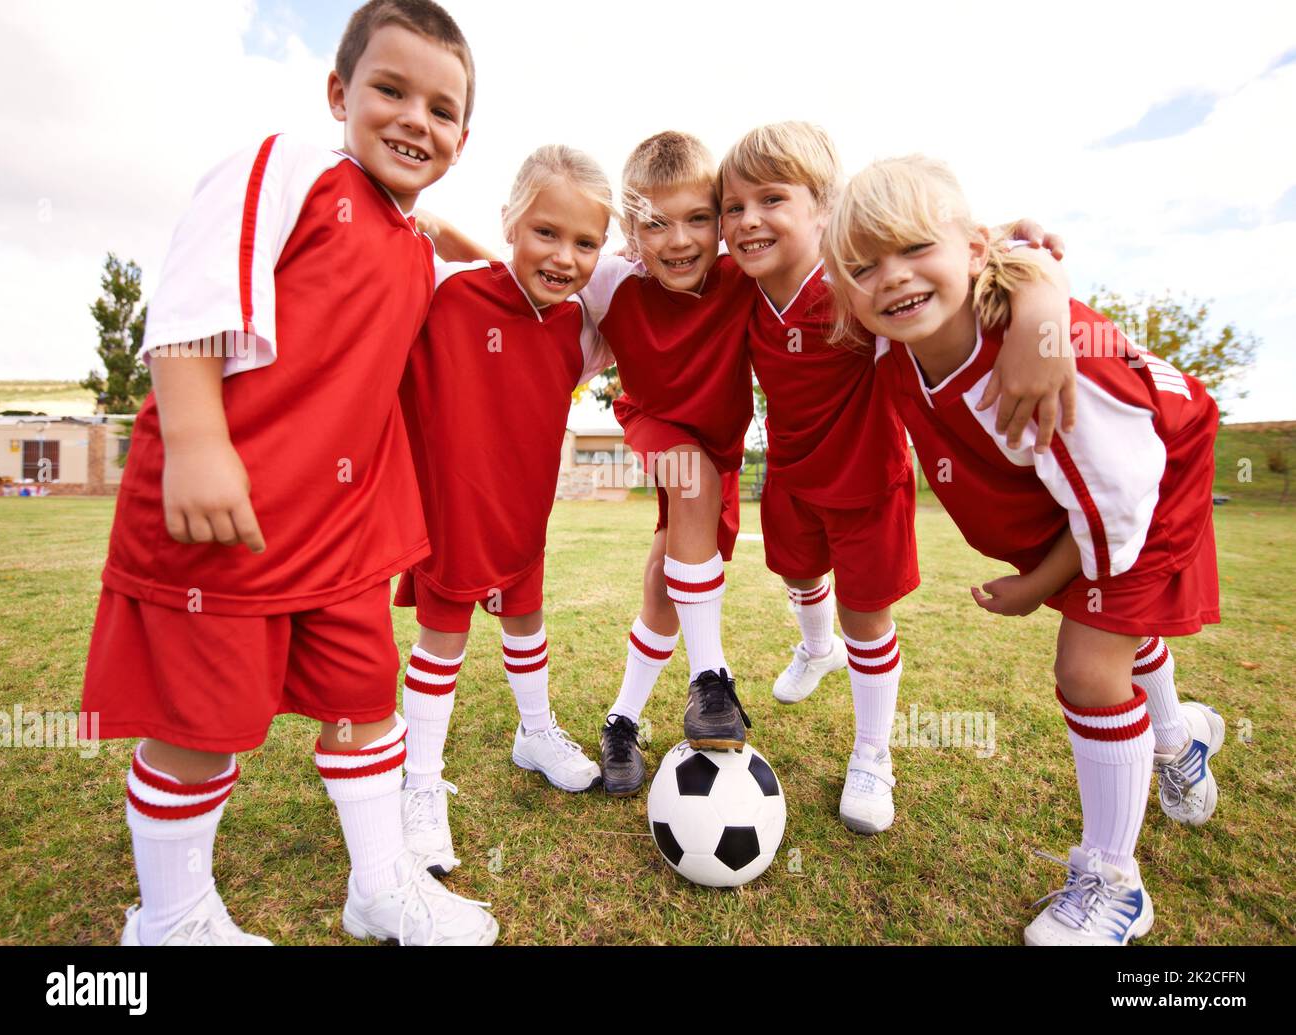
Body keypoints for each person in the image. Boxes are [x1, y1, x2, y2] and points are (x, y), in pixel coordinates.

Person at [80, 0, 498, 945]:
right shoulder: (287, 168)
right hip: (227, 519)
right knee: (200, 724)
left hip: (345, 534)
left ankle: (382, 886)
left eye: (441, 110)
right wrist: (195, 442)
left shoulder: (411, 244)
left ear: (463, 139)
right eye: (390, 90)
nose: (413, 121)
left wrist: (461, 236)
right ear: (337, 93)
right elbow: (191, 291)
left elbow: (477, 274)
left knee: (366, 699)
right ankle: (172, 919)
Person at [823, 153, 1223, 945]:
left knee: (1087, 663)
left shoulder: (1050, 364)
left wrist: (1037, 583)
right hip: (1093, 487)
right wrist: (1032, 266)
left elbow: (1114, 502)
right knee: (1115, 630)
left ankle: (1115, 881)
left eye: (911, 250)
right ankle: (1178, 738)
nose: (891, 278)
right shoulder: (898, 341)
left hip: (1152, 475)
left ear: (973, 252)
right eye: (865, 267)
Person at [718, 122, 1075, 836]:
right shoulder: (739, 287)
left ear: (827, 210)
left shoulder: (860, 291)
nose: (748, 220)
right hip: (790, 473)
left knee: (867, 616)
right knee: (795, 573)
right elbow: (673, 256)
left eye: (772, 199)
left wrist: (1041, 302)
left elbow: (976, 254)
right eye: (733, 206)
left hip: (867, 482)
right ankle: (815, 649)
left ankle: (873, 753)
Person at [396, 145, 616, 874]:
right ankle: (419, 782)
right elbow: (405, 221)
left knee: (527, 619)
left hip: (523, 514)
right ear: (509, 223)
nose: (565, 256)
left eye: (586, 242)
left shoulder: (581, 327)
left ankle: (536, 732)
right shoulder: (446, 289)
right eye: (546, 232)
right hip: (451, 511)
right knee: (443, 638)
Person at [577, 132, 761, 791]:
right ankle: (712, 682)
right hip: (656, 422)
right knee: (691, 475)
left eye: (697, 219)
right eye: (655, 224)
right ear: (629, 231)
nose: (678, 240)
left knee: (663, 585)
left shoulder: (748, 272)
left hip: (720, 447)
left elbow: (850, 241)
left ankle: (621, 721)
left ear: (721, 220)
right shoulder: (609, 280)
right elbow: (524, 277)